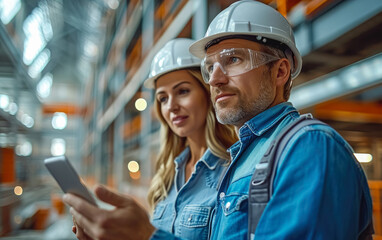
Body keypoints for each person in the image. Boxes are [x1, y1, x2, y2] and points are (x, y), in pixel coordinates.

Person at [185, 0, 374, 239]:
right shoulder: (243, 157)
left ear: (280, 72)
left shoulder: (308, 146)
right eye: (210, 67)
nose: (214, 79)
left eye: (233, 60)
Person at [63, 38, 237, 240]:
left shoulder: (232, 171)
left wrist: (146, 234)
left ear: (208, 93)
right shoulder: (167, 176)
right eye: (163, 98)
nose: (171, 106)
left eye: (182, 91)